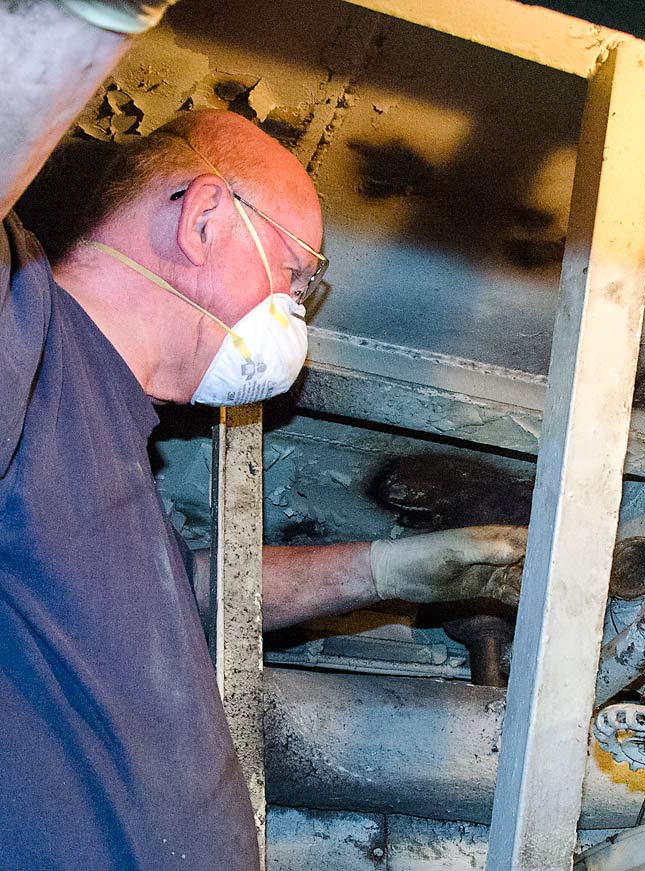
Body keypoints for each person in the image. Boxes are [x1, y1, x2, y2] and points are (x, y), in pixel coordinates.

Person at [0, 1, 528, 868]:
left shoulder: (108, 447)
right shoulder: (27, 328)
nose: (294, 313)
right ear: (204, 218)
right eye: (294, 274)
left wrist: (388, 567)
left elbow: (198, 589)